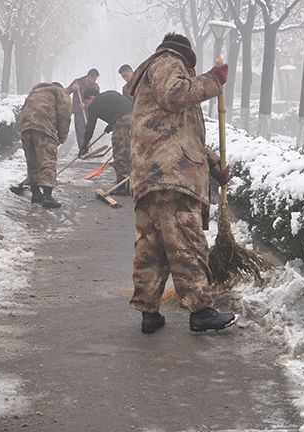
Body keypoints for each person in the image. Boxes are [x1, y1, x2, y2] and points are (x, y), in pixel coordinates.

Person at [127, 32, 233, 334]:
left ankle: (149, 313)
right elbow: (176, 94)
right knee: (187, 243)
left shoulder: (153, 76)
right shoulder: (168, 62)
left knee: (153, 248)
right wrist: (212, 80)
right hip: (172, 178)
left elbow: (181, 137)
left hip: (154, 177)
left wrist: (213, 167)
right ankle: (201, 311)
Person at [20, 82, 72, 209]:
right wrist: (62, 136)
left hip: (26, 128)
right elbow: (64, 114)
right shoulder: (59, 92)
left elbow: (23, 110)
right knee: (48, 160)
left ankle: (36, 194)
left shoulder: (35, 92)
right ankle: (47, 197)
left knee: (32, 160)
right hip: (43, 128)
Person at [83, 88, 133, 195]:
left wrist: (84, 145)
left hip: (123, 121)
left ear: (91, 98)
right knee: (130, 151)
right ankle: (130, 182)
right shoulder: (108, 94)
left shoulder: (94, 104)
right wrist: (111, 125)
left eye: (86, 102)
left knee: (120, 153)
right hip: (134, 117)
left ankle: (123, 186)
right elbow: (122, 107)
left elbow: (90, 126)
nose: (87, 105)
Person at [67, 68, 100, 156]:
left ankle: (87, 147)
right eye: (94, 79)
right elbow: (66, 91)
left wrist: (85, 105)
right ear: (89, 76)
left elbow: (96, 100)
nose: (94, 81)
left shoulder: (95, 87)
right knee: (80, 130)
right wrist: (72, 88)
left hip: (90, 111)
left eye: (96, 79)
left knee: (88, 130)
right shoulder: (77, 82)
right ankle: (82, 149)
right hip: (78, 111)